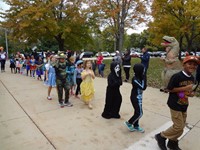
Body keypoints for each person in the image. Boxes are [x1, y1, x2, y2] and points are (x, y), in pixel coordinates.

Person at [155, 55, 199, 150]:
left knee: (181, 127)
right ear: (184, 64)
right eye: (190, 63)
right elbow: (169, 89)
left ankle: (172, 143)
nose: (192, 66)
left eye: (195, 65)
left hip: (184, 104)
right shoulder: (177, 76)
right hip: (174, 104)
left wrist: (190, 93)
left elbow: (186, 92)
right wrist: (185, 88)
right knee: (178, 127)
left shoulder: (192, 78)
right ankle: (161, 136)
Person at [124, 63, 147, 133]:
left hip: (139, 97)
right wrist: (144, 78)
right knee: (140, 113)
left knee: (137, 112)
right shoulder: (135, 79)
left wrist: (143, 78)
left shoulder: (140, 77)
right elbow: (143, 87)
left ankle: (136, 126)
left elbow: (144, 86)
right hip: (135, 98)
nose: (144, 71)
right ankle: (129, 123)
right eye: (143, 70)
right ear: (139, 71)